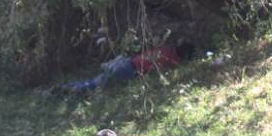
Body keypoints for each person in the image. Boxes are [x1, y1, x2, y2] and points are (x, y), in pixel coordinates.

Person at [52, 41, 195, 94]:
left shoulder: (166, 48)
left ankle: (64, 88)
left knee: (94, 83)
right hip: (128, 69)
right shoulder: (172, 59)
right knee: (95, 86)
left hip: (126, 62)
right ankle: (63, 90)